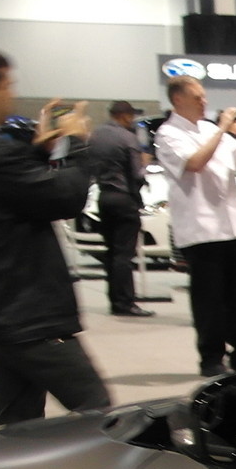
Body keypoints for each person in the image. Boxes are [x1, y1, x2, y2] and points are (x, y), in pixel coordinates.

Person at [0, 43, 111, 427]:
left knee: (18, 425)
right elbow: (65, 197)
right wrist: (76, 143)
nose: (14, 93)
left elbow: (11, 192)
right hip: (26, 312)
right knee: (98, 413)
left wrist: (39, 149)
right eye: (8, 85)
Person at [154, 72, 236, 376]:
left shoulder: (212, 130)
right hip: (201, 229)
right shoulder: (168, 134)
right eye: (197, 97)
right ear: (177, 99)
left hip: (230, 225)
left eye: (204, 96)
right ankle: (211, 357)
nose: (204, 102)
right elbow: (195, 163)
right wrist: (224, 127)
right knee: (209, 299)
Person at [84, 100, 150, 317]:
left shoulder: (96, 135)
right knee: (124, 254)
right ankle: (125, 302)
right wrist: (145, 165)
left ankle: (114, 300)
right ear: (125, 116)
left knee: (111, 252)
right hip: (124, 199)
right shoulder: (127, 137)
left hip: (104, 197)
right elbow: (136, 174)